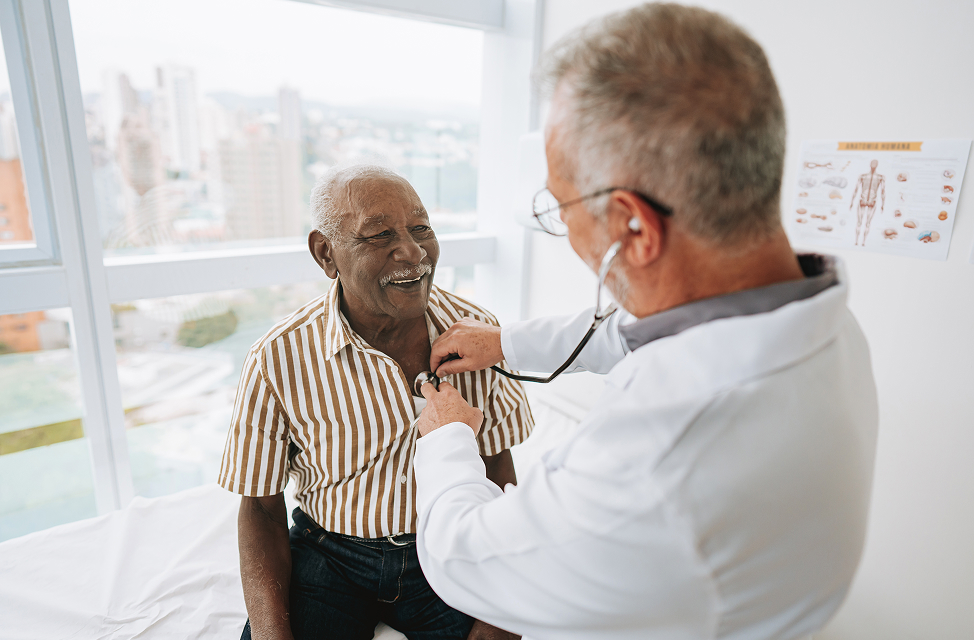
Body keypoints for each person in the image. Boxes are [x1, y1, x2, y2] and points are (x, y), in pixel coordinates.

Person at [413, 4, 878, 640]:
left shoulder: (657, 462)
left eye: (558, 206)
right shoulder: (818, 322)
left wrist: (447, 439)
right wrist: (507, 342)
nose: (563, 227)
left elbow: (461, 556)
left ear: (634, 227)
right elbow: (642, 334)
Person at [218, 165, 532, 640]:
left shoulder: (478, 331)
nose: (411, 251)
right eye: (380, 234)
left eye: (421, 227)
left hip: (444, 547)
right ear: (326, 254)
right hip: (330, 555)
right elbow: (260, 508)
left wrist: (499, 619)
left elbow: (498, 469)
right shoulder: (278, 356)